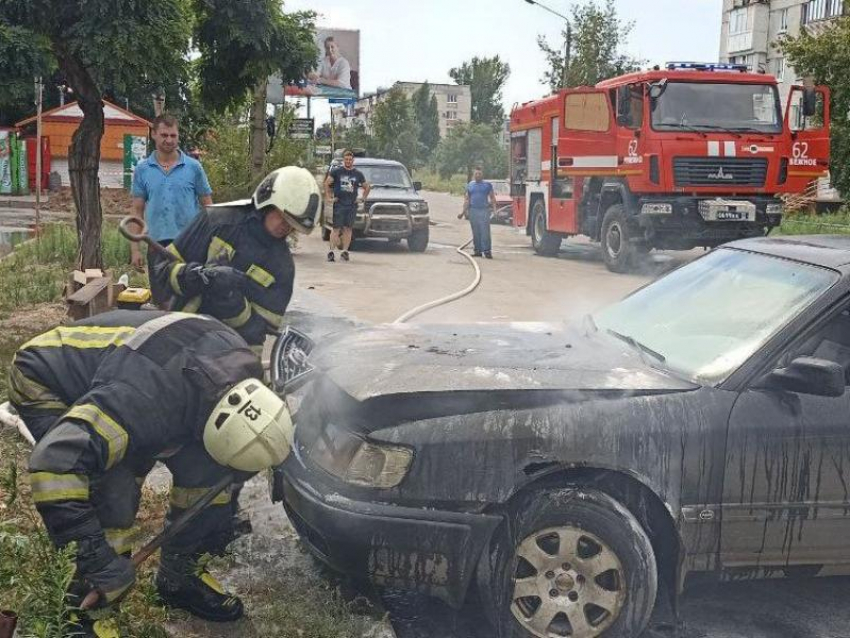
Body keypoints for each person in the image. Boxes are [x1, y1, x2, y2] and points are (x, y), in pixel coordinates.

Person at [8, 310, 294, 636]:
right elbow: (56, 463)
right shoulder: (144, 400)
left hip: (137, 377)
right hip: (48, 376)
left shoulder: (244, 376)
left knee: (208, 475)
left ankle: (178, 576)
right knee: (111, 489)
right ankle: (85, 607)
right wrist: (101, 564)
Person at [151, 166, 321, 346]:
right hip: (181, 338)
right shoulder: (217, 220)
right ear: (268, 202)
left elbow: (261, 330)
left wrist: (232, 302)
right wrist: (200, 277)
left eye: (293, 225)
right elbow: (161, 270)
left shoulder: (282, 266)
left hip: (235, 356)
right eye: (283, 218)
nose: (286, 228)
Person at [130, 114, 213, 306]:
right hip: (157, 246)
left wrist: (211, 243)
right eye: (164, 135)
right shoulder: (143, 169)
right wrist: (135, 249)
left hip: (190, 245)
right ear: (154, 135)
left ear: (178, 136)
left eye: (173, 136)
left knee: (191, 301)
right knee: (162, 302)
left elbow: (209, 208)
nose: (169, 140)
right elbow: (136, 211)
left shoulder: (193, 167)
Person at [325, 150, 370, 263]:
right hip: (339, 204)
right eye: (346, 159)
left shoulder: (358, 174)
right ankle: (331, 252)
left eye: (350, 159)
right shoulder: (337, 172)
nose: (348, 161)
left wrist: (362, 198)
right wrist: (329, 197)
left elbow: (367, 187)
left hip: (351, 205)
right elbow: (327, 183)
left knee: (348, 229)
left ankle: (345, 252)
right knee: (336, 229)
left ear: (353, 160)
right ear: (343, 160)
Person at [459, 167, 497, 259]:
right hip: (473, 211)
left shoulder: (487, 185)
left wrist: (494, 210)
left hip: (484, 211)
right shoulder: (470, 185)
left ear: (482, 175)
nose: (478, 175)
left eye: (479, 174)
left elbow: (492, 198)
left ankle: (487, 251)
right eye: (476, 174)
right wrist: (463, 212)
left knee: (485, 232)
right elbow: (467, 199)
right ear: (473, 175)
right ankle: (478, 251)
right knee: (475, 232)